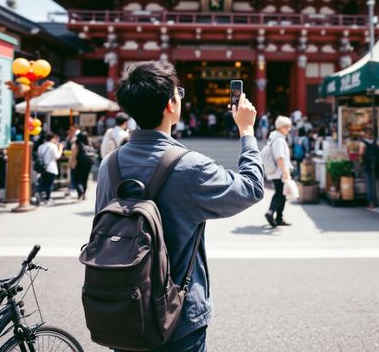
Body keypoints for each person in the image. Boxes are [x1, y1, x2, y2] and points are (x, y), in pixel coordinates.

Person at [94, 60, 264, 351]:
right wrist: (246, 132)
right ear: (170, 105)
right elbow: (251, 188)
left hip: (124, 311)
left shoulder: (109, 166)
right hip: (178, 316)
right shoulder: (191, 166)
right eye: (179, 93)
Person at [264, 115, 293, 228]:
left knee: (282, 193)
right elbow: (280, 157)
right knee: (280, 193)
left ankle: (279, 217)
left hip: (278, 171)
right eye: (287, 127)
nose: (289, 129)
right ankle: (271, 212)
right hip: (279, 172)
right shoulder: (279, 140)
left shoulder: (275, 137)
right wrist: (285, 172)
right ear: (281, 127)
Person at [36, 132, 63, 205]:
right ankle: (47, 199)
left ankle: (38, 193)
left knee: (43, 182)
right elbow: (57, 156)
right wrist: (60, 149)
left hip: (42, 168)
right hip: (51, 167)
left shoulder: (40, 146)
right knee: (49, 184)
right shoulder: (53, 146)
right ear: (52, 138)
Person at [359, 128, 379, 212]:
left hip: (368, 165)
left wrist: (360, 160)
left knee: (369, 184)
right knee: (377, 183)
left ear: (365, 134)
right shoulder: (376, 142)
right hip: (377, 164)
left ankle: (371, 202)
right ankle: (378, 200)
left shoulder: (363, 143)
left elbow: (361, 153)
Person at [70, 132, 95, 201]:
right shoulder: (89, 144)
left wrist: (71, 164)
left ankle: (80, 192)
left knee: (76, 180)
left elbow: (73, 156)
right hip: (88, 164)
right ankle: (84, 194)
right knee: (85, 180)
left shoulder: (77, 145)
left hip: (79, 164)